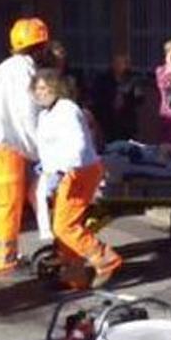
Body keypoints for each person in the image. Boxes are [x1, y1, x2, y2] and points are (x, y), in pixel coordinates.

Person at [32, 68, 123, 289]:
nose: (40, 93)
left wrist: (62, 171)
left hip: (79, 172)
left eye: (45, 88)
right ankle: (75, 276)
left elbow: (79, 144)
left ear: (56, 88)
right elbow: (48, 146)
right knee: (62, 224)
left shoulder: (67, 109)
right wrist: (45, 167)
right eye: (36, 89)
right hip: (62, 173)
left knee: (65, 226)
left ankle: (105, 258)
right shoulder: (45, 114)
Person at [0, 17, 49, 276]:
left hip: (3, 146)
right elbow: (27, 115)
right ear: (38, 46)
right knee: (8, 205)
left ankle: (6, 255)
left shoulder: (4, 69)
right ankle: (3, 259)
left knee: (7, 203)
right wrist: (40, 149)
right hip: (8, 147)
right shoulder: (24, 72)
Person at [91, 53, 146, 143]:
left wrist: (127, 98)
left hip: (127, 123)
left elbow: (139, 99)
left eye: (125, 63)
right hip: (107, 121)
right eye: (119, 63)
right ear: (113, 64)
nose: (122, 66)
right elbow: (97, 98)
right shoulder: (102, 79)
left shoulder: (133, 79)